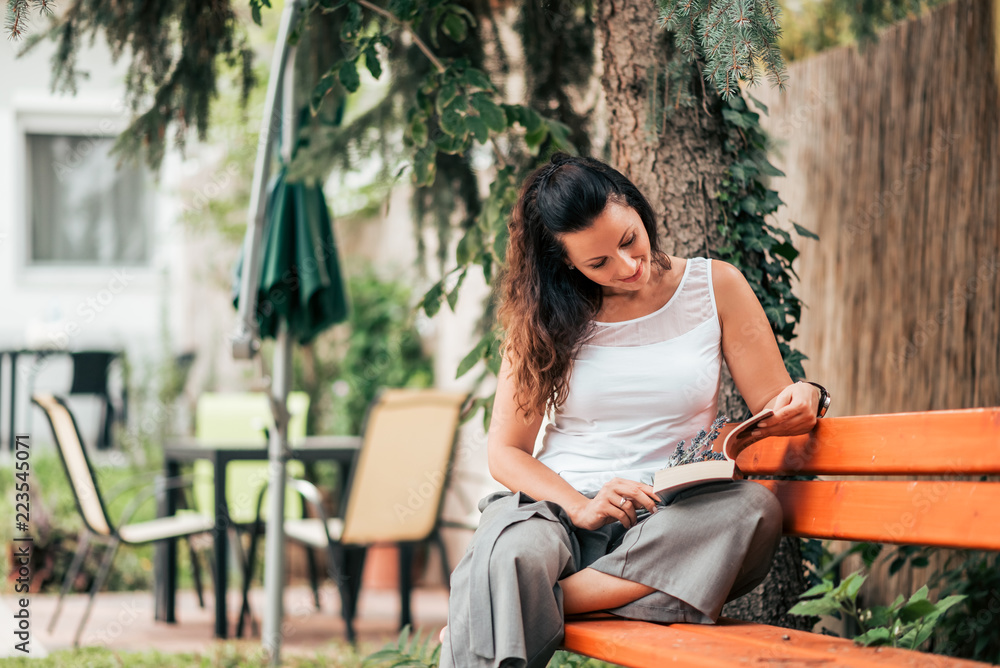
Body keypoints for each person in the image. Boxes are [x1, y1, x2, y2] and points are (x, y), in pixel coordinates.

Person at [439, 153, 828, 668]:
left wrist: (805, 393)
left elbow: (775, 405)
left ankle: (520, 604)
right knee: (511, 551)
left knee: (753, 512)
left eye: (629, 239)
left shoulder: (715, 287)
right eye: (598, 263)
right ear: (566, 262)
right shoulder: (543, 316)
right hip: (556, 509)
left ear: (637, 207)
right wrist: (581, 507)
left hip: (667, 520)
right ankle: (554, 593)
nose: (627, 267)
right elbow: (505, 452)